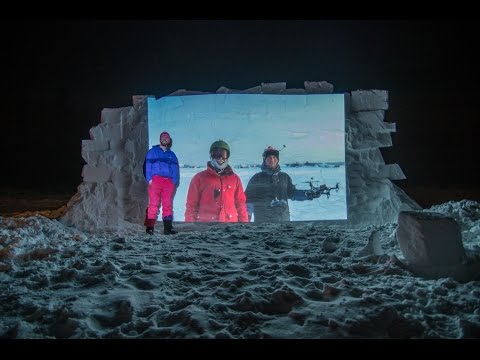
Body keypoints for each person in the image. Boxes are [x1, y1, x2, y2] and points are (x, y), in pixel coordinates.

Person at [245, 146, 320, 223]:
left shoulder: (284, 177)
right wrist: (247, 216)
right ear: (265, 160)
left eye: (274, 157)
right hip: (263, 223)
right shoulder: (257, 178)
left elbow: (292, 193)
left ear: (277, 160)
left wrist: (307, 194)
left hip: (284, 221)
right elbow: (248, 199)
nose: (272, 160)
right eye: (269, 157)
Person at [185, 140, 248, 222]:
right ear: (211, 155)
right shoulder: (199, 178)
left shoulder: (235, 179)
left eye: (223, 154)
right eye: (217, 154)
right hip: (206, 228)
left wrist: (244, 226)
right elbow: (191, 206)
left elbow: (240, 204)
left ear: (227, 156)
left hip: (230, 227)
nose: (220, 158)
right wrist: (191, 227)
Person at [144, 131, 180, 235]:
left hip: (168, 182)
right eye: (163, 138)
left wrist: (174, 181)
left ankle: (168, 228)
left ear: (169, 141)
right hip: (156, 181)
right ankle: (149, 228)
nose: (164, 139)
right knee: (153, 204)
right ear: (160, 139)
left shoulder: (172, 155)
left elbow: (175, 169)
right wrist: (149, 178)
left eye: (166, 138)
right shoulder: (152, 152)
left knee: (167, 204)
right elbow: (147, 165)